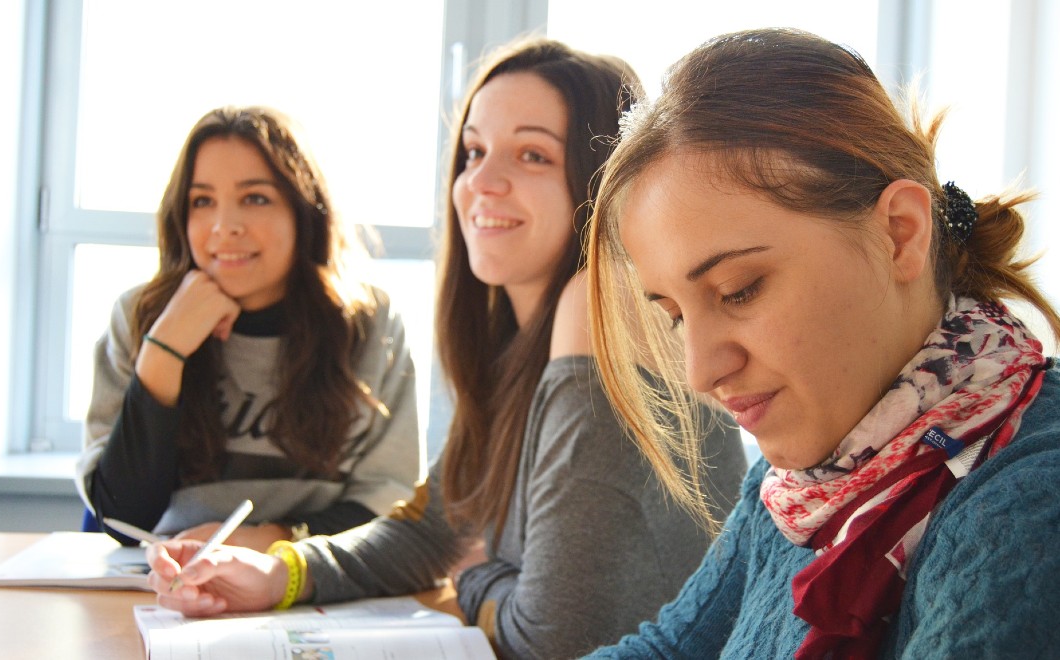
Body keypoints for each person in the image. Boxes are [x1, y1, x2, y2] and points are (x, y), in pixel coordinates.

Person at [144, 39, 747, 660]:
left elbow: (553, 641)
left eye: (533, 155)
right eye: (475, 152)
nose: (480, 182)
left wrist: (475, 578)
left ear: (601, 181)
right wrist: (281, 572)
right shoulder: (513, 344)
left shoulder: (600, 304)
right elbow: (437, 528)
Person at [583, 27, 1060, 659]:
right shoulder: (806, 479)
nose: (700, 371)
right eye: (674, 314)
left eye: (739, 290)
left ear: (900, 234)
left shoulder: (1025, 510)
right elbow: (671, 649)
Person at [76, 106, 421, 552]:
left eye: (255, 198)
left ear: (304, 212)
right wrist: (163, 352)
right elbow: (123, 520)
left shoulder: (369, 324)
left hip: (317, 580)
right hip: (164, 581)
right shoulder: (140, 315)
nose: (224, 227)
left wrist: (270, 540)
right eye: (202, 201)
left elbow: (389, 502)